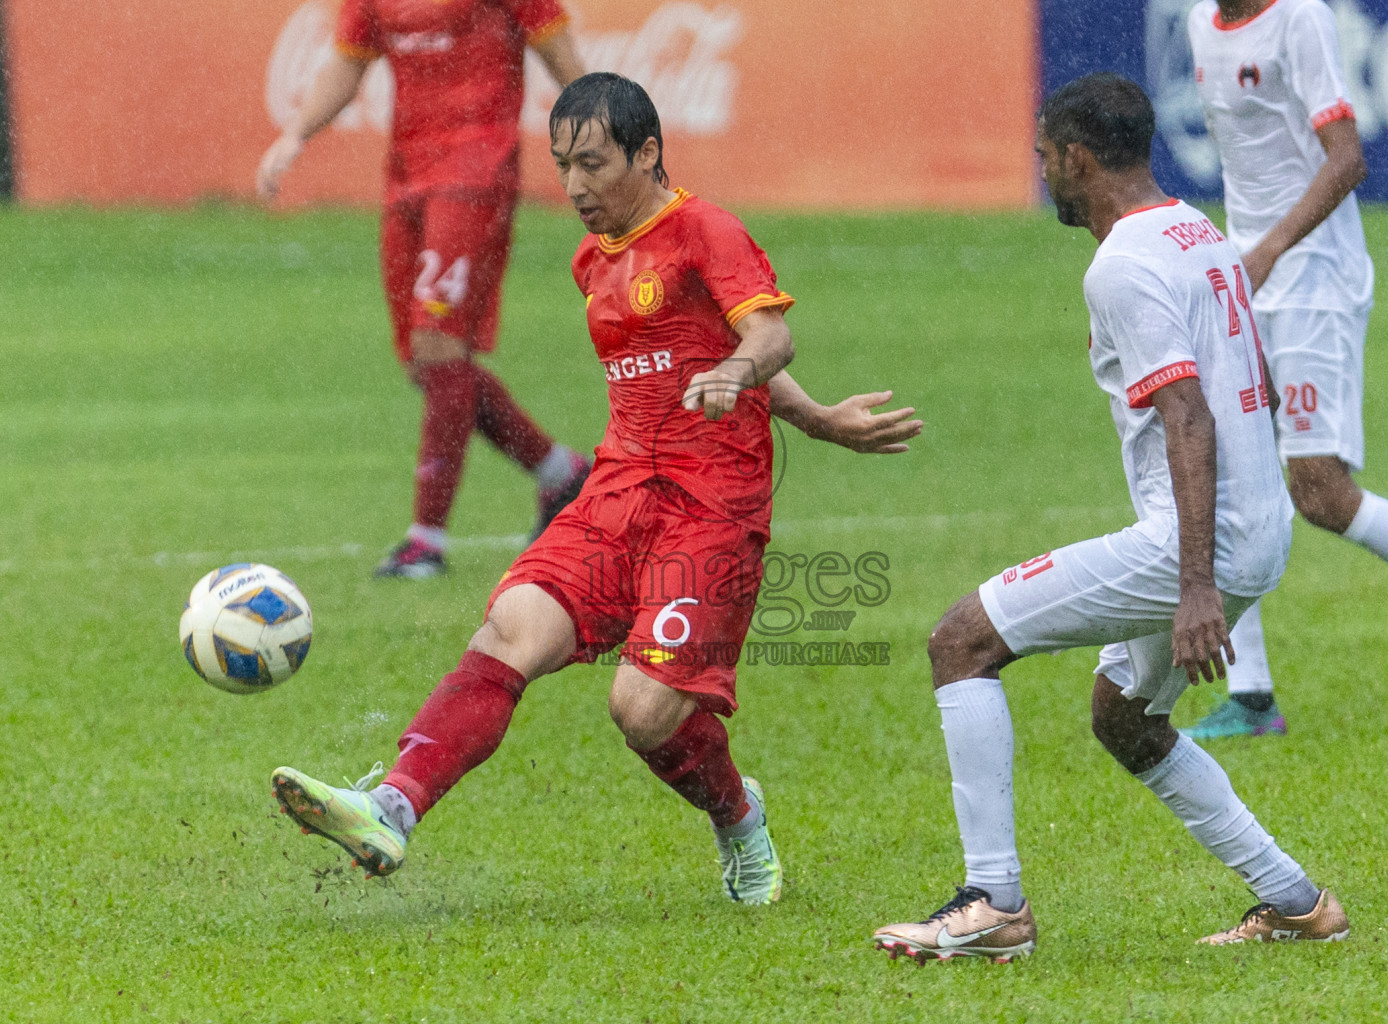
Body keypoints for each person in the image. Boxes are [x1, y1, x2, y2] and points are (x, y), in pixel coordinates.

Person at [269, 73, 924, 905]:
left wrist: (750, 380)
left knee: (643, 711)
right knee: (510, 628)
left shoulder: (706, 231)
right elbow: (711, 356)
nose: (575, 186)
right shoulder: (593, 258)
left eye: (594, 163)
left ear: (647, 152)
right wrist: (805, 413)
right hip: (615, 494)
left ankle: (738, 815)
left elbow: (766, 335)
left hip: (710, 511)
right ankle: (391, 806)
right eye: (562, 164)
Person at [872, 74, 1347, 962]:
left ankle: (994, 903)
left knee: (960, 642)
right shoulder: (1193, 228)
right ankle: (1296, 901)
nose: (1043, 170)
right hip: (1256, 529)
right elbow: (1256, 378)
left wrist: (1198, 584)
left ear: (1080, 158)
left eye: (1047, 156)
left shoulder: (1123, 263)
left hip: (1194, 546)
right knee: (1124, 719)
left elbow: (1189, 416)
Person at [1179, 0, 1388, 740]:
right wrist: (1238, 254)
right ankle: (1253, 696)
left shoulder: (1301, 19)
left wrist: (1271, 248)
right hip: (1249, 277)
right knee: (1225, 469)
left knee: (1320, 492)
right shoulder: (1202, 23)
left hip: (1314, 282)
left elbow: (1347, 157)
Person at [257, 0, 595, 578]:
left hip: (476, 172)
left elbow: (556, 45)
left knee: (439, 348)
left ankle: (426, 541)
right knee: (429, 363)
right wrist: (296, 134)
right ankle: (562, 474)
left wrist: (603, 131)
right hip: (407, 175)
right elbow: (348, 61)